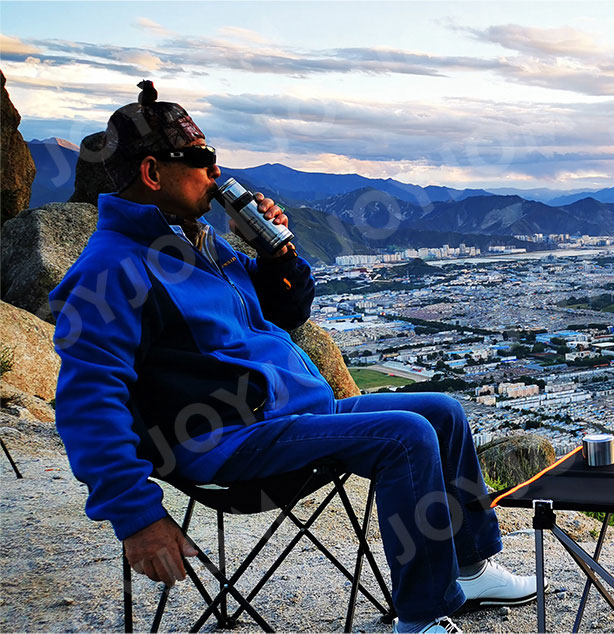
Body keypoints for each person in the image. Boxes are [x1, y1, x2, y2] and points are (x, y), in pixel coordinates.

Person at [49, 81, 537, 634]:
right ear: (153, 173)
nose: (215, 174)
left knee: (443, 412)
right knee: (406, 434)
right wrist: (136, 516)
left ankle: (468, 568)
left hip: (285, 414)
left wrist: (276, 250)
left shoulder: (199, 241)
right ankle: (422, 618)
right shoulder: (110, 270)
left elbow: (285, 312)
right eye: (203, 160)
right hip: (223, 441)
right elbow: (88, 401)